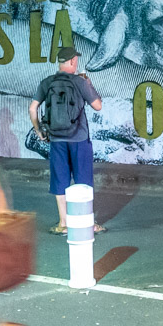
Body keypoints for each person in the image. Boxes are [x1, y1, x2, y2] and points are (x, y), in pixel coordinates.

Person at [29, 46, 103, 234]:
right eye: (75, 60)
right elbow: (98, 106)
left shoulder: (47, 82)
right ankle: (88, 223)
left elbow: (32, 109)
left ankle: (63, 223)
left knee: (60, 179)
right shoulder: (80, 81)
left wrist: (39, 130)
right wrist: (88, 83)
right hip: (79, 138)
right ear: (72, 61)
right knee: (83, 180)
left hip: (56, 139)